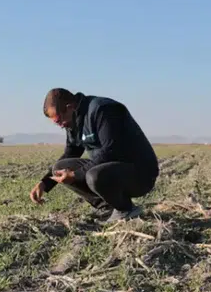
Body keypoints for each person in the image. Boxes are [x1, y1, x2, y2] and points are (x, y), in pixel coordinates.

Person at [29, 88, 160, 223]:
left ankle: (125, 209)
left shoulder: (103, 110)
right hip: (110, 169)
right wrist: (45, 183)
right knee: (60, 166)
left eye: (59, 120)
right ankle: (107, 207)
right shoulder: (74, 120)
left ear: (70, 107)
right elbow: (71, 152)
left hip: (140, 174)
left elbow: (111, 150)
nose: (61, 126)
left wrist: (75, 175)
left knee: (94, 175)